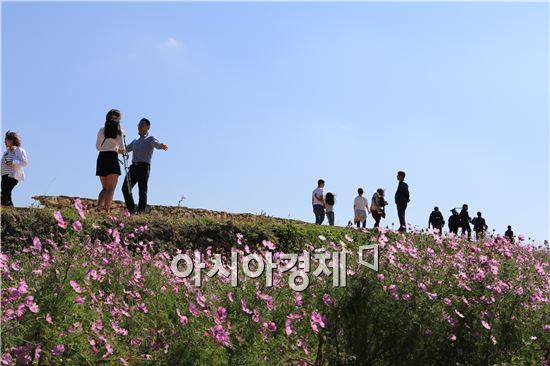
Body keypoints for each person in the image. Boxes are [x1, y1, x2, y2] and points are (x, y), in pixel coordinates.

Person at [121, 118, 168, 214]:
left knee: (142, 190)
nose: (139, 126)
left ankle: (141, 212)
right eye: (138, 125)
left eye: (142, 124)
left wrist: (161, 146)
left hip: (144, 167)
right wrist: (115, 148)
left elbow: (157, 144)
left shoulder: (150, 139)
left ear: (148, 127)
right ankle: (132, 210)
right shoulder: (135, 141)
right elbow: (125, 150)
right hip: (133, 167)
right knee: (125, 188)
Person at [96, 109, 125, 213]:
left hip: (101, 157)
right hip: (112, 157)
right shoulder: (119, 131)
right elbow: (122, 148)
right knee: (111, 188)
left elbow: (98, 147)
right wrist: (118, 149)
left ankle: (99, 208)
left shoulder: (101, 131)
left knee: (104, 188)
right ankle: (107, 211)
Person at [1, 131, 28, 207]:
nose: (5, 142)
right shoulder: (7, 151)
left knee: (5, 192)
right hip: (4, 175)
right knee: (6, 191)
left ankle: (3, 204)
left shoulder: (19, 150)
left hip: (12, 175)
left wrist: (13, 162)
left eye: (6, 140)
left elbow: (24, 162)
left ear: (12, 140)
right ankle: (9, 205)